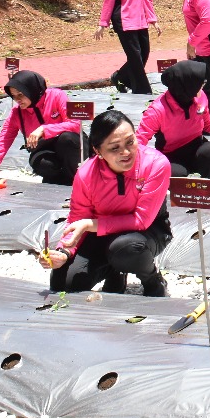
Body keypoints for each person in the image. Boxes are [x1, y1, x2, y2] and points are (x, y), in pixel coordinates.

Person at [38, 111, 173, 296]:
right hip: (100, 233)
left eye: (130, 142)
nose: (126, 152)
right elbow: (78, 217)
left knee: (124, 249)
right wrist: (64, 252)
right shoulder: (86, 174)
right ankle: (115, 271)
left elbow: (142, 220)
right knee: (63, 282)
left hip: (147, 231)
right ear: (97, 151)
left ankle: (152, 279)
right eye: (114, 148)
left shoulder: (156, 164)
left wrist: (90, 224)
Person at [0, 70, 86, 186]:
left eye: (21, 95)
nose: (17, 100)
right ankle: (58, 182)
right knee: (43, 164)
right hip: (45, 148)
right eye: (14, 96)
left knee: (67, 139)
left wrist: (44, 129)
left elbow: (75, 124)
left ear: (32, 90)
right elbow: (3, 140)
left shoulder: (56, 96)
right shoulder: (17, 112)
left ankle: (79, 182)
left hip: (70, 145)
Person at [136, 60, 210, 179]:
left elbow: (208, 124)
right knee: (179, 176)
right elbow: (140, 140)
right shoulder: (157, 110)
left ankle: (205, 193)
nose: (203, 86)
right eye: (200, 83)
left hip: (196, 145)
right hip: (170, 154)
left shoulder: (200, 97)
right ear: (187, 86)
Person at [96, 0, 160, 95]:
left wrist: (153, 20)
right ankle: (143, 91)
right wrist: (102, 24)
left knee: (144, 54)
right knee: (135, 57)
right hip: (124, 22)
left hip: (140, 21)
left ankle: (120, 77)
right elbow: (108, 2)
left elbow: (147, 0)